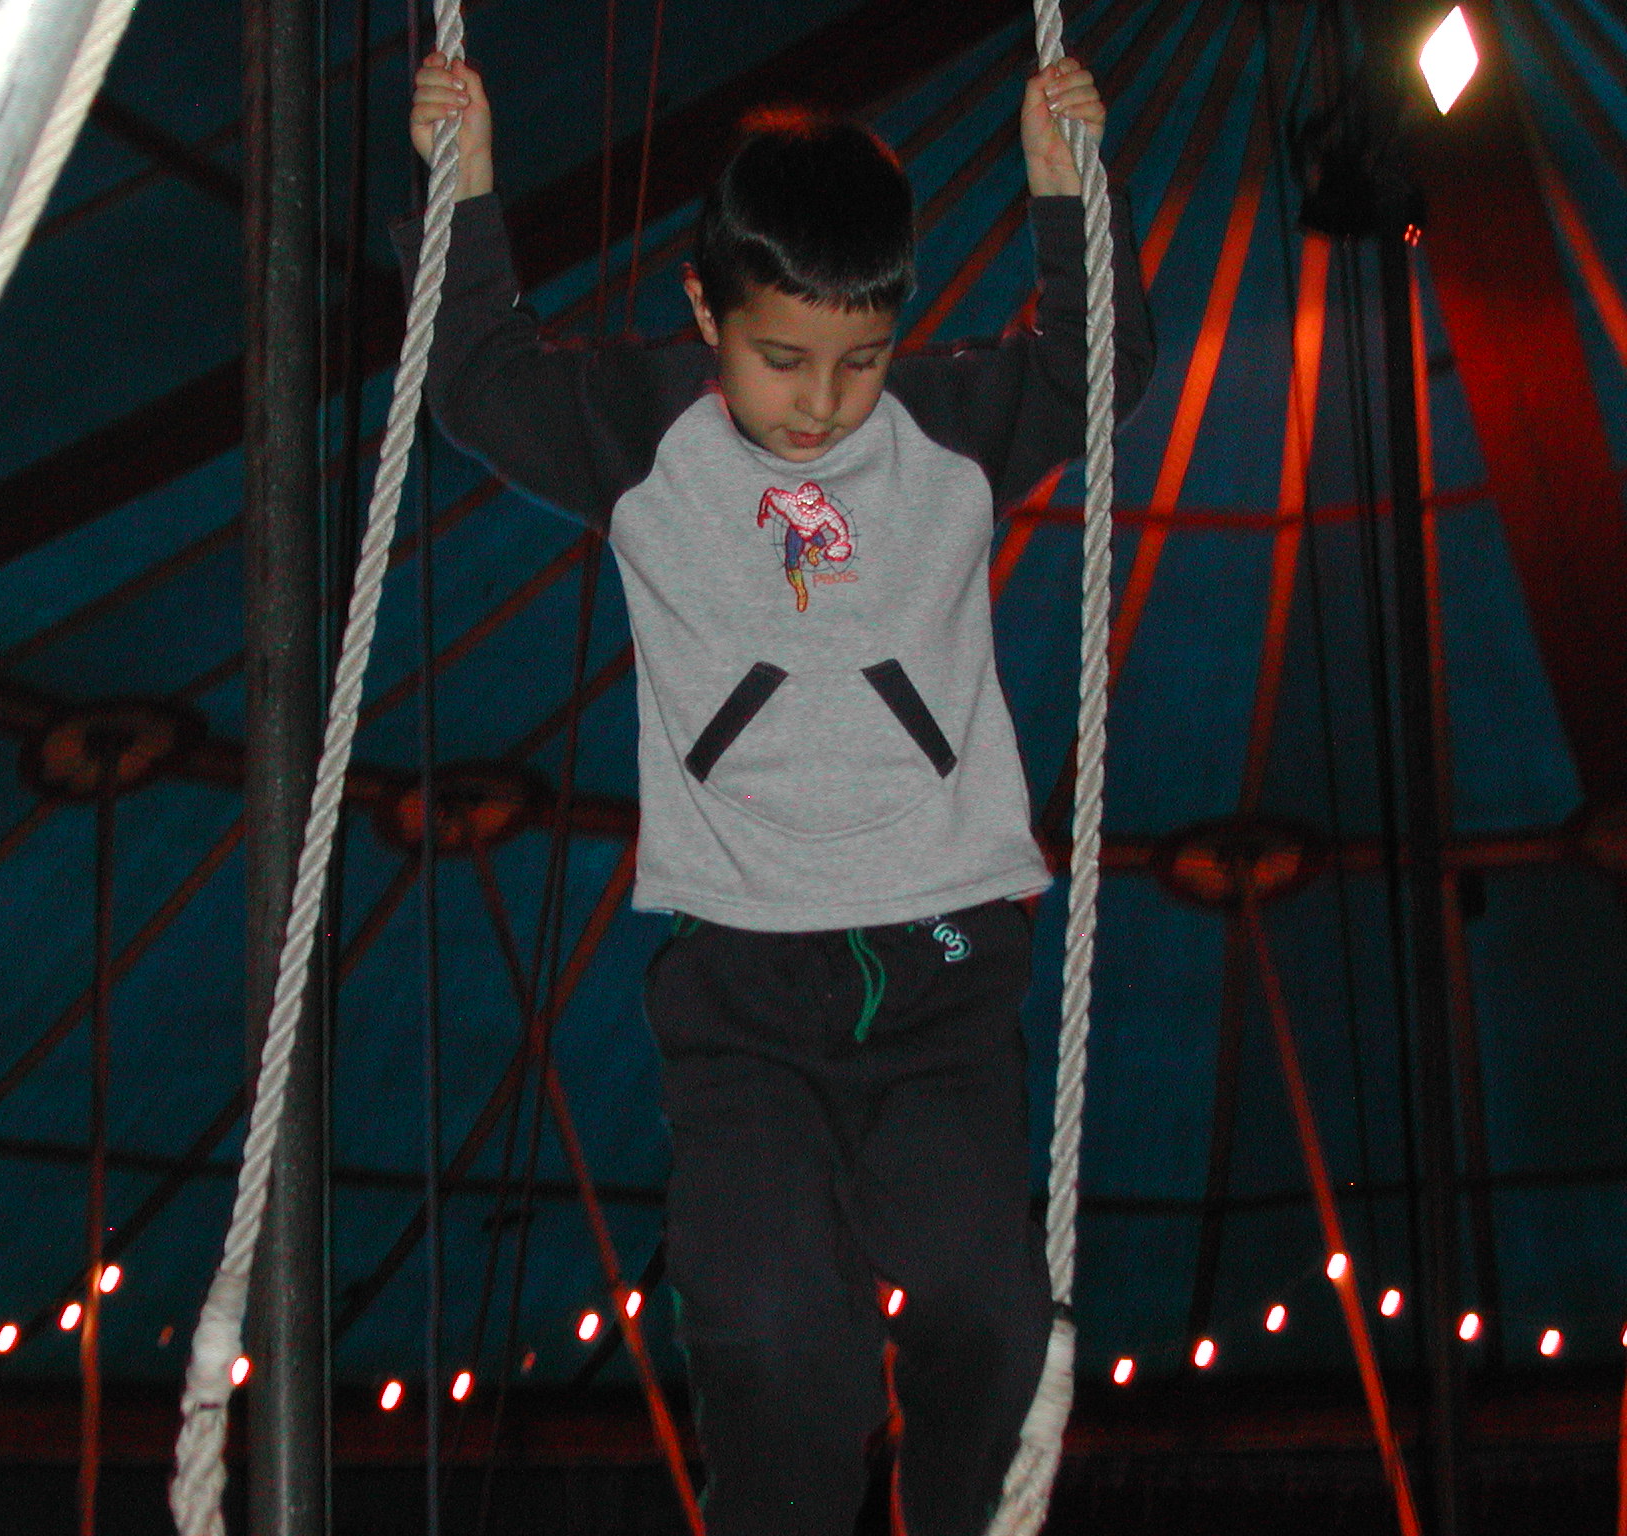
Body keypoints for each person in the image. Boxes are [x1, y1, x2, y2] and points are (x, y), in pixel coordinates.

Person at [402, 46, 1152, 1536]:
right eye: (781, 359)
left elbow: (1097, 375)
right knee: (772, 1336)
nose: (820, 404)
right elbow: (478, 379)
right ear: (706, 314)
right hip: (744, 988)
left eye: (859, 360)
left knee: (988, 1315)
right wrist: (465, 184)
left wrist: (1067, 195)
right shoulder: (648, 436)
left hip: (944, 970)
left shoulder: (944, 430)